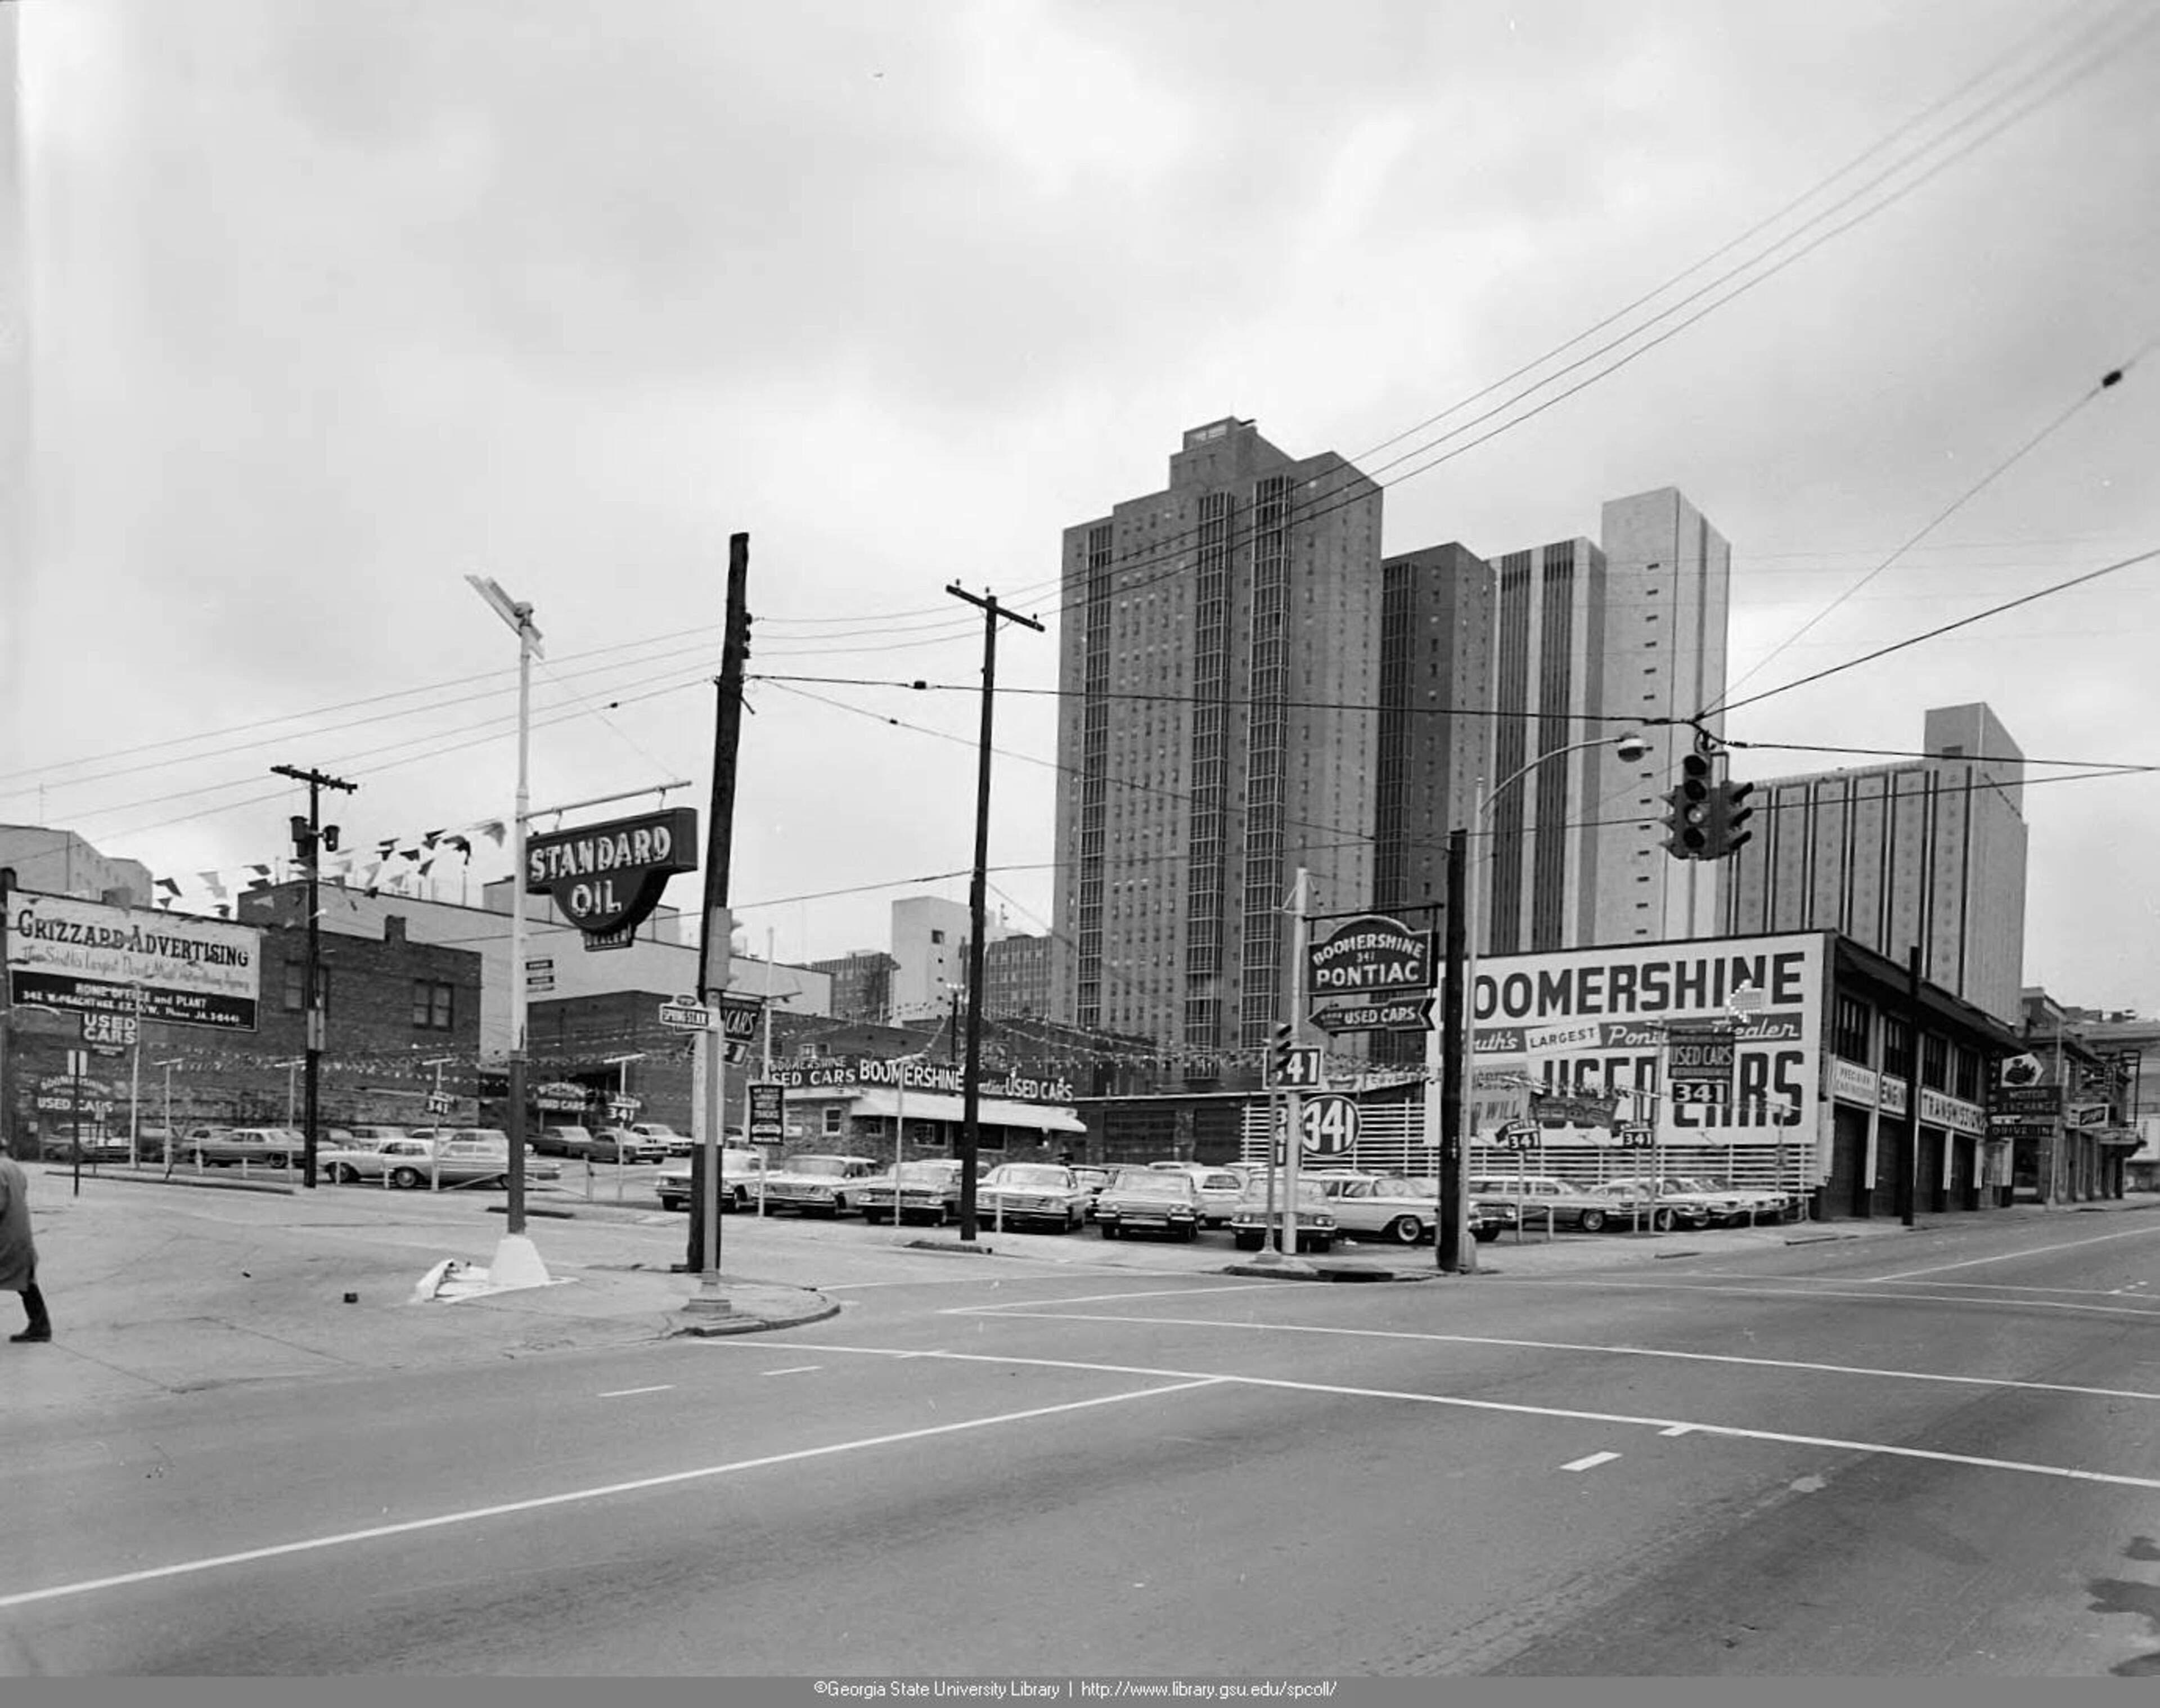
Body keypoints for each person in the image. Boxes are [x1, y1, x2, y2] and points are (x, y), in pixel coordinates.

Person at [0, 1149, 52, 1343]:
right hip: (20, 1234)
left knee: (25, 1281)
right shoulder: (14, 1167)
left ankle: (40, 1327)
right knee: (26, 1280)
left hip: (6, 1236)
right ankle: (40, 1326)